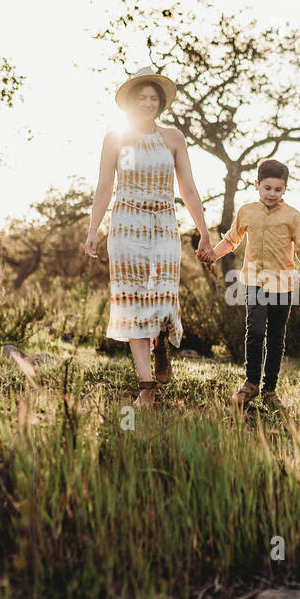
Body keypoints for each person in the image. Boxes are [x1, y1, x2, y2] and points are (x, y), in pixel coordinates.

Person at [85, 66, 215, 408]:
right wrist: (92, 230)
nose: (147, 103)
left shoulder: (173, 138)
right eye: (141, 98)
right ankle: (146, 386)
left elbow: (187, 187)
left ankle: (160, 342)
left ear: (161, 103)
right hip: (126, 224)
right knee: (131, 301)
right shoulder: (114, 137)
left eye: (153, 98)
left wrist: (204, 232)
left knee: (162, 295)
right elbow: (104, 187)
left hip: (163, 225)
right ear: (129, 102)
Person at [209, 158, 300, 411]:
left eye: (278, 189)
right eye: (267, 188)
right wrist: (212, 254)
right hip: (255, 281)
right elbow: (231, 240)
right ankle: (251, 384)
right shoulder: (247, 211)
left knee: (276, 338)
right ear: (257, 185)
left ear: (285, 189)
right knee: (255, 332)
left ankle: (270, 390)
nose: (272, 194)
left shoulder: (293, 216)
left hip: (283, 284)